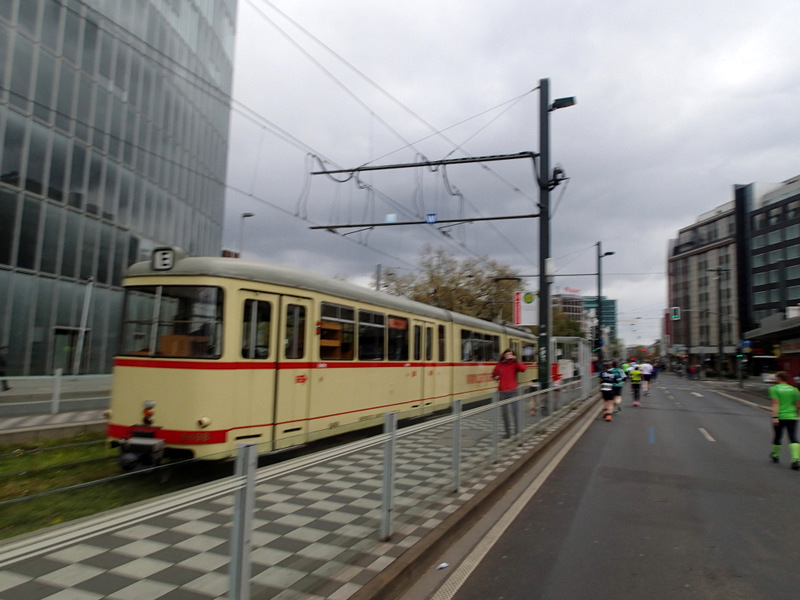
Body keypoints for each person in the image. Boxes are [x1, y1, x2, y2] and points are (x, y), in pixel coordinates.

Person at [492, 349, 527, 438]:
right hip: (502, 392)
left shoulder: (515, 364)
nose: (509, 356)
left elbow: (523, 369)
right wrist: (495, 377)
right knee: (504, 414)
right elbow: (494, 374)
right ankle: (507, 433)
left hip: (513, 391)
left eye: (510, 354)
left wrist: (516, 360)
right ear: (504, 355)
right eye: (507, 354)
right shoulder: (500, 364)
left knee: (515, 413)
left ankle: (517, 432)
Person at [769, 371, 800, 469]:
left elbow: (775, 404)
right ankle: (795, 459)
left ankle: (775, 455)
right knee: (793, 437)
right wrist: (795, 414)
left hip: (780, 416)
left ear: (779, 378)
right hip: (792, 416)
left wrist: (775, 417)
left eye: (776, 377)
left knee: (778, 436)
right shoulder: (795, 390)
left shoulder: (774, 389)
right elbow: (798, 405)